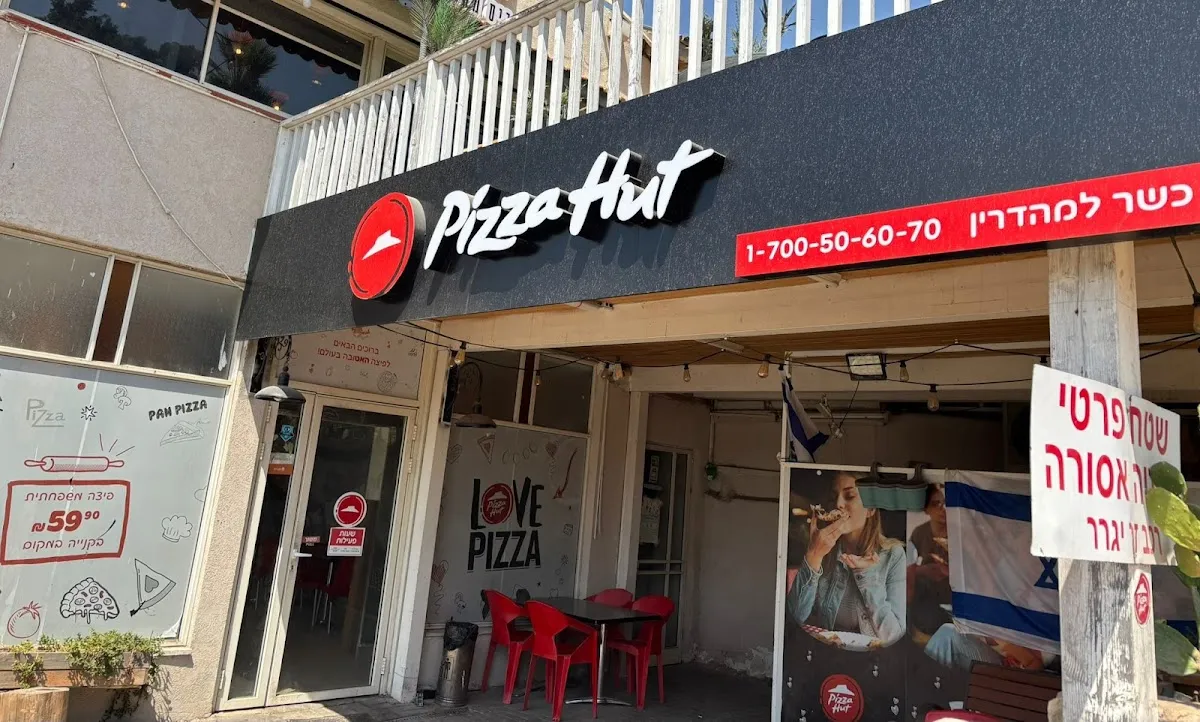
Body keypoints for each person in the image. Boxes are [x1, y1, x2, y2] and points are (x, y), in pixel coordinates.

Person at [787, 471, 906, 646]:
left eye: (849, 496)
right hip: (827, 652)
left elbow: (893, 635)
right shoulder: (822, 548)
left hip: (871, 658)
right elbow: (794, 618)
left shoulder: (893, 555)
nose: (838, 504)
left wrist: (865, 575)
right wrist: (814, 555)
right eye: (833, 498)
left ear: (871, 509)